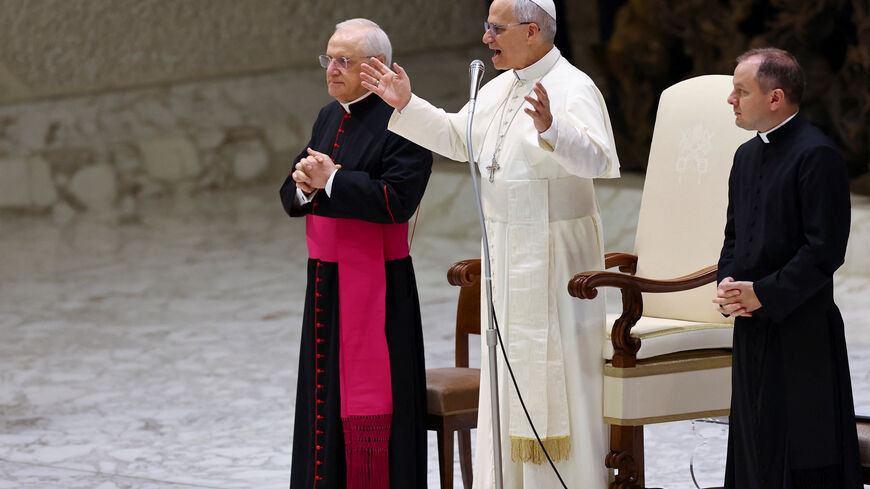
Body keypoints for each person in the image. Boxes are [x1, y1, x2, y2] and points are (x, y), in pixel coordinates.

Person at [362, 0, 620, 487]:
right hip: (505, 253)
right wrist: (406, 105)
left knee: (559, 375)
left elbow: (599, 160)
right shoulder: (500, 87)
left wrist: (551, 128)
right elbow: (460, 140)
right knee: (506, 378)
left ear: (531, 30)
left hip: (555, 257)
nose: (486, 38)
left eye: (494, 28)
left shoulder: (573, 86)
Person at [279, 18, 432, 489]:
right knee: (321, 401)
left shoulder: (405, 120)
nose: (332, 69)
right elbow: (290, 197)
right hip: (325, 284)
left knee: (376, 402)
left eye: (344, 60)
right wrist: (306, 185)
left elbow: (396, 201)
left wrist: (332, 181)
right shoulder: (329, 115)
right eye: (329, 59)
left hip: (380, 293)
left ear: (376, 67)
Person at [714, 48, 862, 489]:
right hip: (752, 326)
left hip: (802, 330)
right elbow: (734, 235)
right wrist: (728, 282)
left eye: (741, 91)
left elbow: (825, 250)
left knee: (803, 446)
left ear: (775, 97)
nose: (730, 99)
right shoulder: (745, 156)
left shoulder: (817, 155)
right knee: (753, 437)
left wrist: (765, 293)